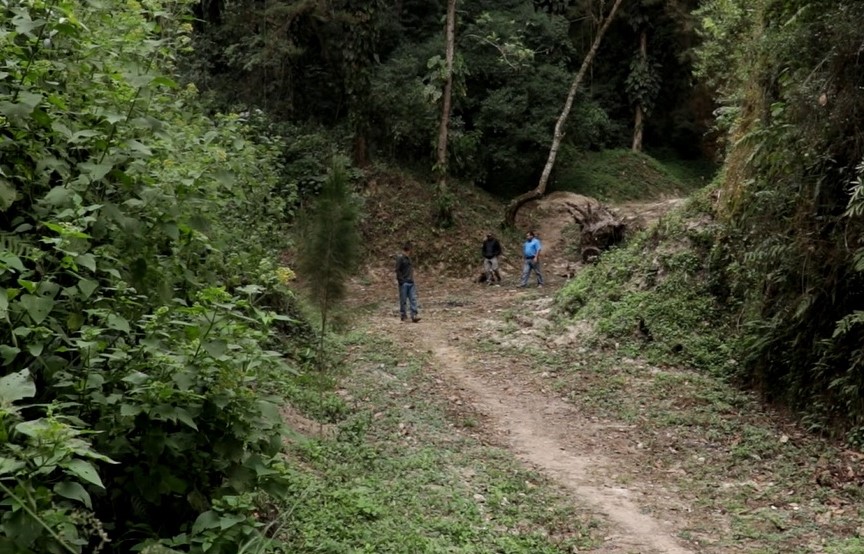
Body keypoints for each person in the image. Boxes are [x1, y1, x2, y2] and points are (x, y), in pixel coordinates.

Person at [395, 242, 421, 322]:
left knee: (413, 299)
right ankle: (403, 315)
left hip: (410, 281)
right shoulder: (400, 258)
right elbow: (397, 270)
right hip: (404, 282)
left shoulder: (408, 259)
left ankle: (414, 315)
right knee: (403, 300)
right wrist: (401, 280)